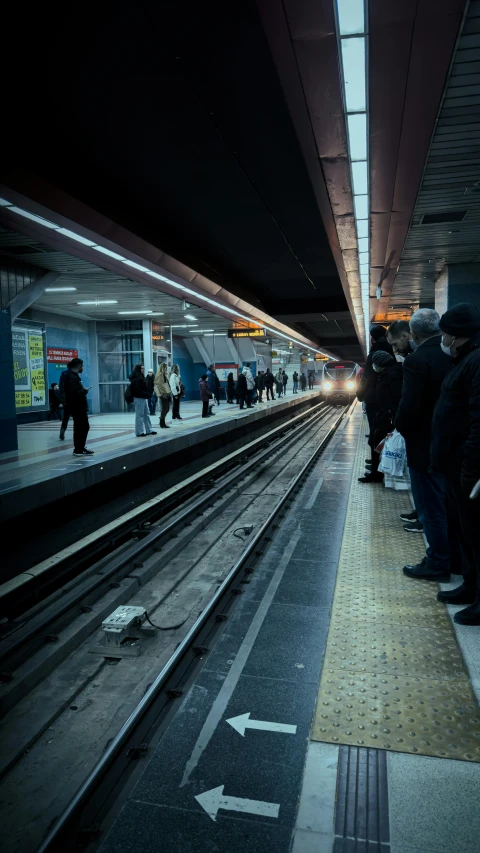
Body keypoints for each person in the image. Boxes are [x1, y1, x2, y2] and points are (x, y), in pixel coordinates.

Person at [391, 310, 455, 579]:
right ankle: (457, 560)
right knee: (450, 505)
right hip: (451, 442)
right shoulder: (454, 356)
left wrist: (402, 430)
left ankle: (438, 562)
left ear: (413, 334)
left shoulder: (416, 361)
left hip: (423, 444)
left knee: (430, 507)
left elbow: (409, 406)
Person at [430, 302, 480, 625]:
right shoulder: (466, 360)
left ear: (457, 336)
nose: (443, 339)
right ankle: (471, 587)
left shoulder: (476, 363)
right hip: (455, 466)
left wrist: (469, 472)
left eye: (446, 334)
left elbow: (479, 422)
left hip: (466, 470)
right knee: (467, 534)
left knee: (477, 535)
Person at [359, 350, 403, 484]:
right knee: (375, 442)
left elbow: (395, 398)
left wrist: (391, 415)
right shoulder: (387, 374)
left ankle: (377, 474)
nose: (373, 366)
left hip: (387, 417)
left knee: (377, 443)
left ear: (380, 363)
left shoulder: (391, 376)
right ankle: (377, 471)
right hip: (384, 414)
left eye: (374, 363)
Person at [356, 326, 394, 439]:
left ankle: (375, 454)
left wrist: (359, 393)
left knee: (374, 426)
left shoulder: (373, 354)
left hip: (373, 397)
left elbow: (366, 377)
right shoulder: (393, 349)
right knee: (386, 425)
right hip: (389, 394)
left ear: (373, 339)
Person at [63, 357, 93, 457]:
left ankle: (80, 448)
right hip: (77, 407)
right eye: (82, 366)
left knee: (81, 427)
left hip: (76, 406)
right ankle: (78, 449)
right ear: (79, 366)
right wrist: (84, 391)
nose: (83, 368)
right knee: (83, 427)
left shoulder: (72, 376)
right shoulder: (72, 377)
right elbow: (74, 393)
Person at [129, 363, 157, 437]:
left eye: (143, 368)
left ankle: (149, 430)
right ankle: (139, 431)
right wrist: (145, 393)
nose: (143, 370)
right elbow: (137, 390)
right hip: (138, 398)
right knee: (140, 415)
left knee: (146, 413)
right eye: (141, 368)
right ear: (138, 369)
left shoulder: (141, 377)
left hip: (143, 398)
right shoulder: (136, 378)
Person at [154, 362, 171, 429]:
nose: (166, 369)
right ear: (162, 368)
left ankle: (162, 420)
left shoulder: (164, 374)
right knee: (165, 408)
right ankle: (162, 422)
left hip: (166, 393)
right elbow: (160, 385)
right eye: (165, 368)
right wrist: (163, 393)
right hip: (163, 394)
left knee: (167, 408)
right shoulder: (160, 375)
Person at [58, 367, 71, 440]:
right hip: (73, 400)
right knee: (77, 417)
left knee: (65, 418)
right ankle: (78, 434)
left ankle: (62, 430)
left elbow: (61, 389)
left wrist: (63, 401)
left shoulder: (63, 374)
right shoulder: (74, 375)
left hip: (66, 401)